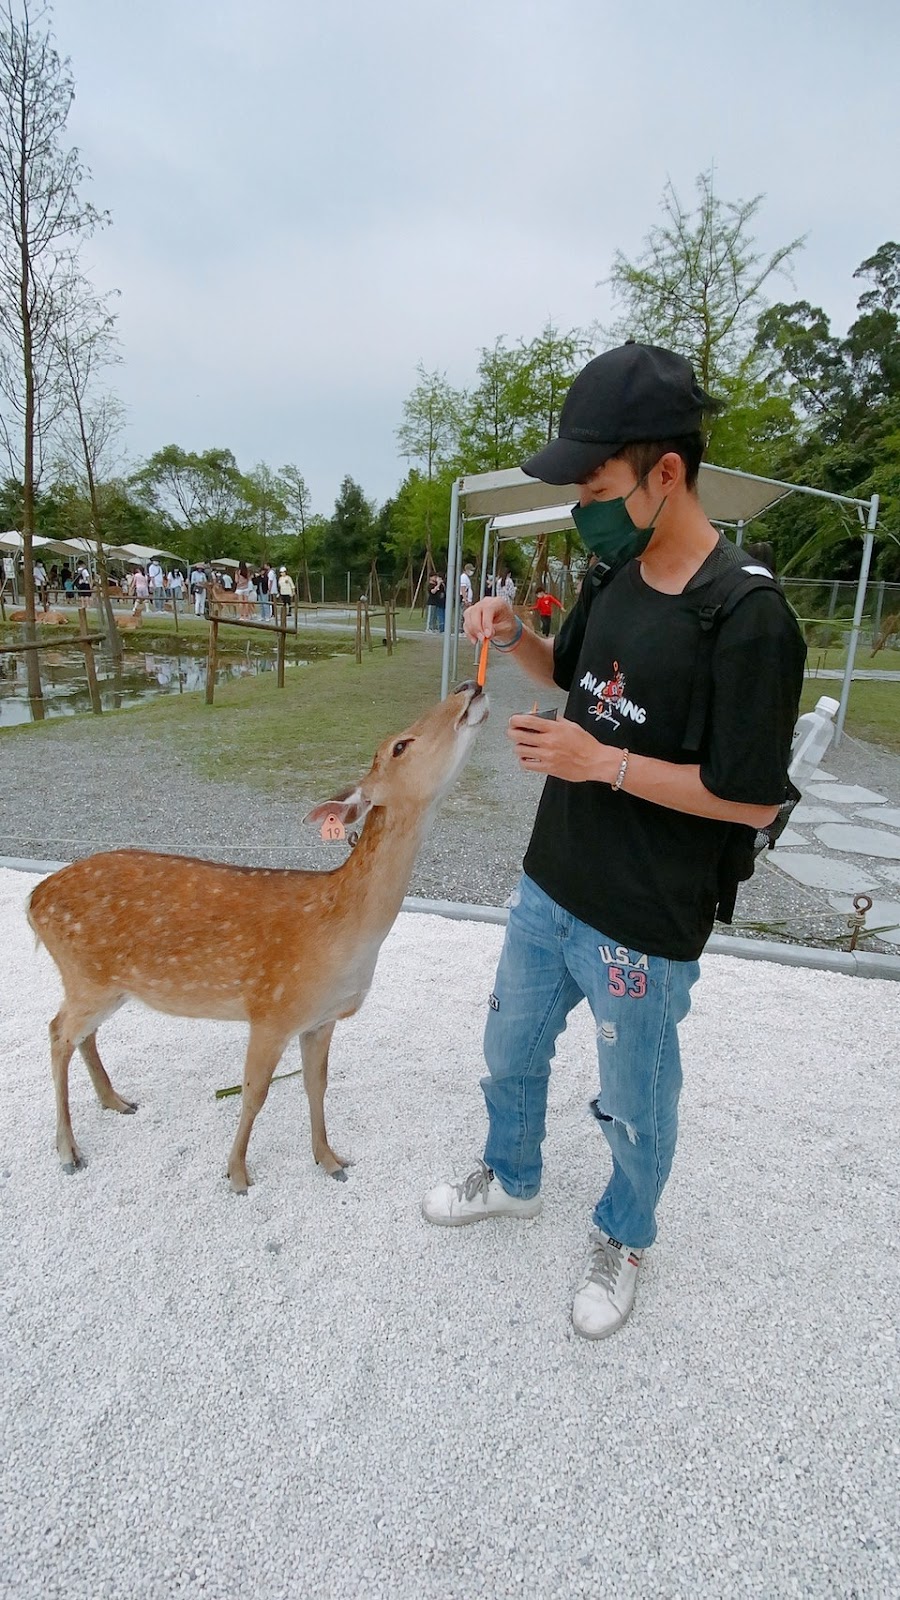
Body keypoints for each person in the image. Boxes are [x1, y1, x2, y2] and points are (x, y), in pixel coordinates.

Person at [422, 342, 806, 1341]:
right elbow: (579, 684)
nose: (585, 506)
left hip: (646, 918)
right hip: (552, 883)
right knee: (508, 1049)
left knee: (633, 1100)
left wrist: (604, 766)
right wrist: (515, 640)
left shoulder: (748, 616)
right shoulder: (616, 571)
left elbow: (752, 802)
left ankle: (625, 1229)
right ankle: (512, 1174)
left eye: (596, 485)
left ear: (663, 471)